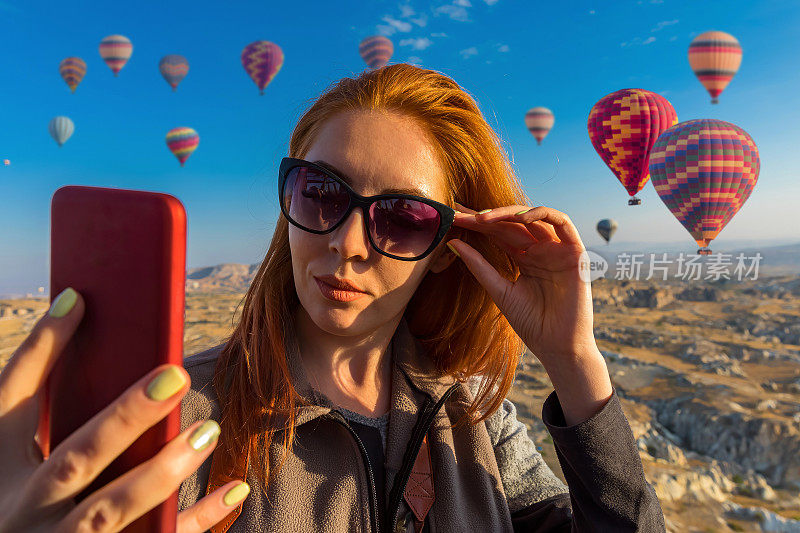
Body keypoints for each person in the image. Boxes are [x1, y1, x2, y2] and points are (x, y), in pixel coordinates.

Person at [0, 64, 666, 532]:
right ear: (288, 200)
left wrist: (576, 365)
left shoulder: (474, 421)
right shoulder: (180, 426)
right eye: (320, 192)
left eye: (401, 217)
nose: (347, 244)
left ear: (443, 250)